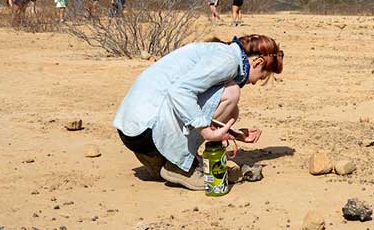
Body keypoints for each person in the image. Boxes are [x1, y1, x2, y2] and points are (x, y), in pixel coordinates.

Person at [113, 34, 284, 190]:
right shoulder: (228, 60)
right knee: (231, 93)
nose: (255, 83)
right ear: (258, 62)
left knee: (232, 109)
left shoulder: (222, 52)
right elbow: (180, 92)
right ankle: (178, 166)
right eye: (261, 77)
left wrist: (234, 134)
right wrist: (207, 133)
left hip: (134, 130)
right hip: (146, 130)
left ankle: (163, 159)